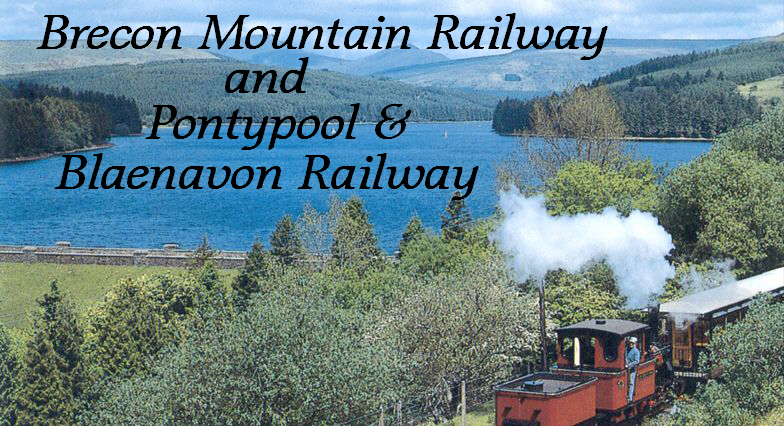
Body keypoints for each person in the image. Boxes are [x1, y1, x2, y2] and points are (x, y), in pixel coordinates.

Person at [626, 336, 640, 402]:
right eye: (630, 343)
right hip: (626, 369)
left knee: (631, 383)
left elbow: (637, 361)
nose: (631, 344)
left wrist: (629, 365)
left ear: (635, 344)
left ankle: (630, 397)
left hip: (632, 369)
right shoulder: (626, 350)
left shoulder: (636, 351)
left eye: (632, 343)